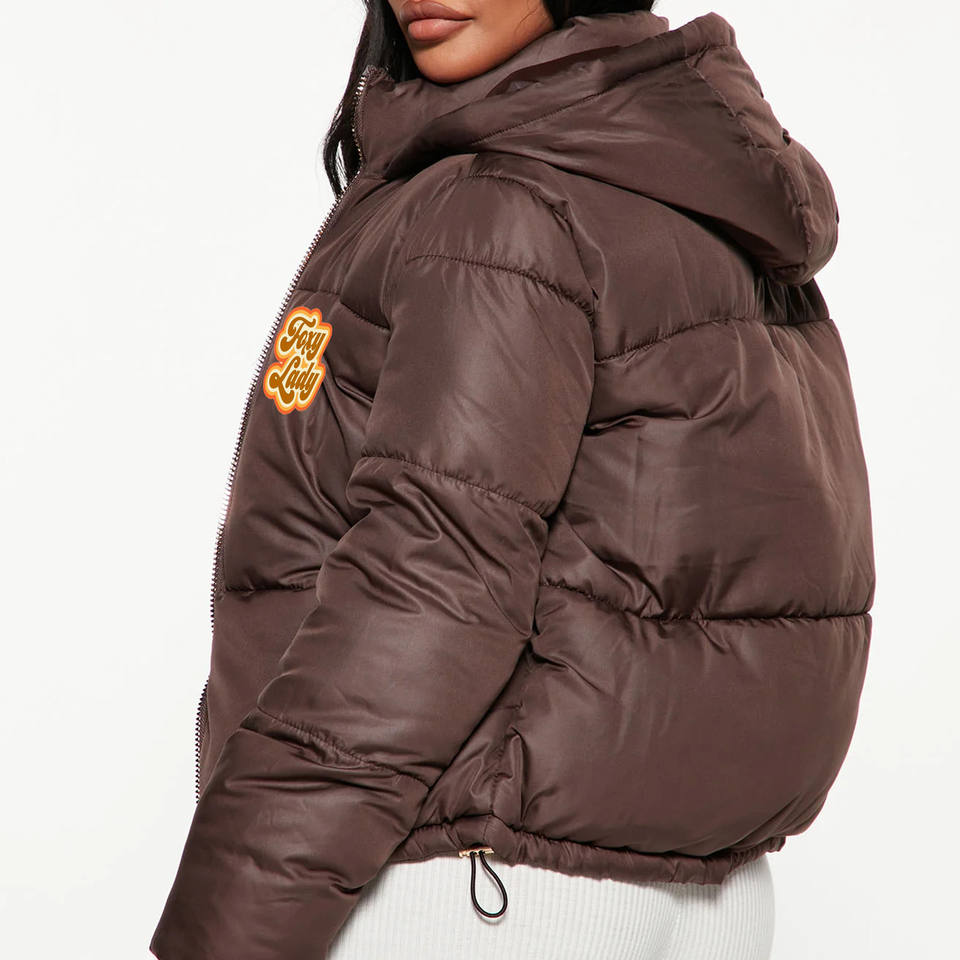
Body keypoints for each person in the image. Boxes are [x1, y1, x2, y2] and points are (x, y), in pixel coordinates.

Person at [149, 2, 875, 959]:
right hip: (704, 892)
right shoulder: (685, 177)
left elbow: (427, 588)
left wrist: (229, 927)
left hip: (483, 890)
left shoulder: (500, 206)